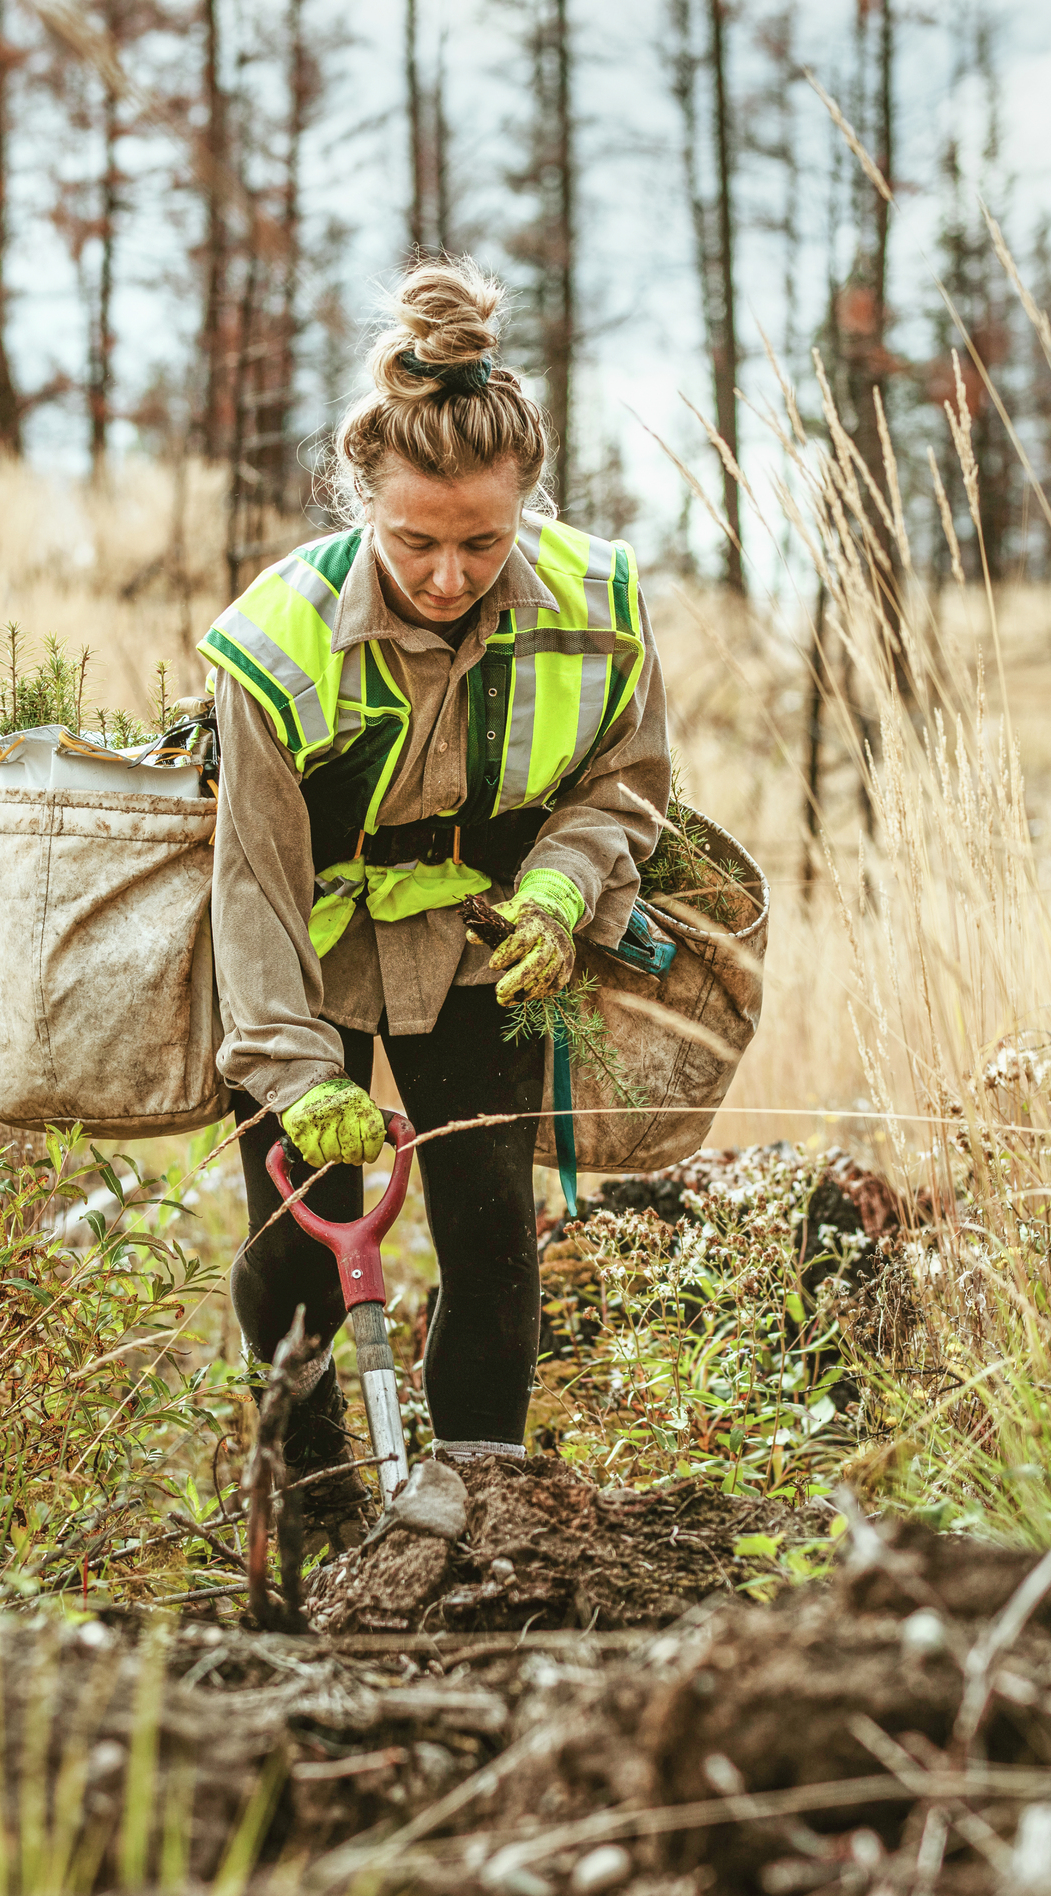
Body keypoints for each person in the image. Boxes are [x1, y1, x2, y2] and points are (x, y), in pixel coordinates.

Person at [196, 256, 669, 1546]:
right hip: (313, 951)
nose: (449, 575)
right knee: (295, 1242)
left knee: (490, 1231)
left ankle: (482, 1515)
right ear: (361, 503)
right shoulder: (276, 640)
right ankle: (311, 1516)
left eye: (482, 541)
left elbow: (629, 787)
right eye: (414, 541)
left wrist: (565, 892)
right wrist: (297, 1076)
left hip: (484, 946)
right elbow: (254, 881)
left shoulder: (601, 606)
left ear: (528, 503)